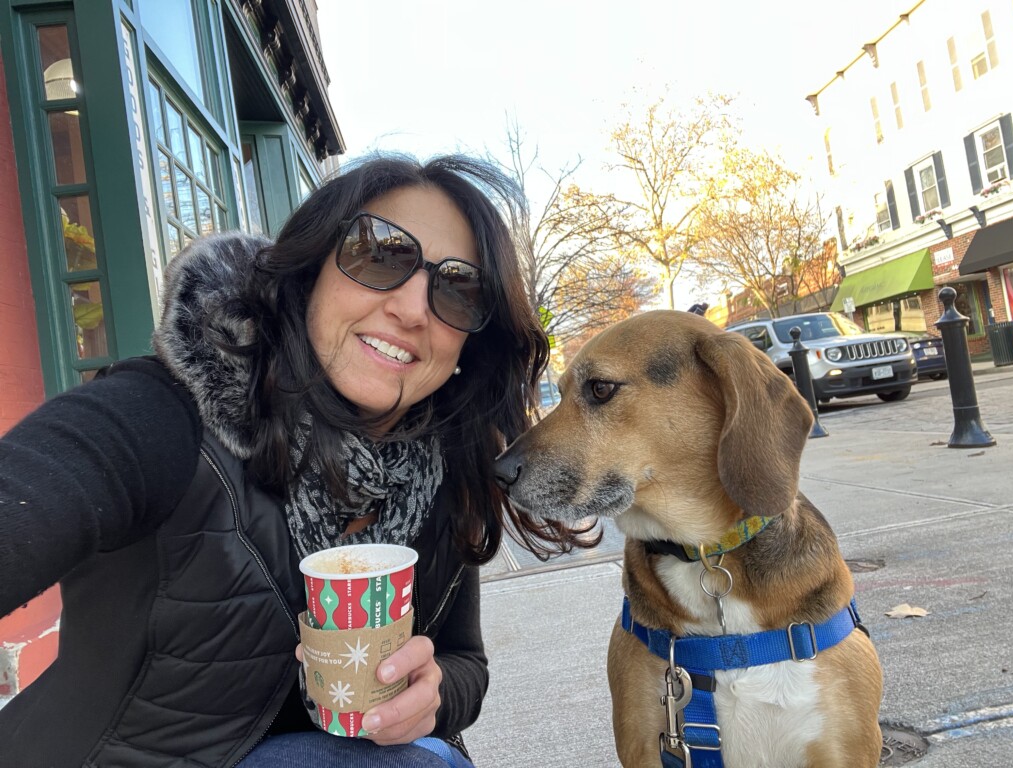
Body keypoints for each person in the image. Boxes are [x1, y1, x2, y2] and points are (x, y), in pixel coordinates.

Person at [0, 154, 593, 767]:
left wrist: (431, 698)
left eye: (459, 290)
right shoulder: (169, 417)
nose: (414, 310)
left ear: (471, 341)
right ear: (311, 271)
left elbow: (464, 661)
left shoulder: (441, 473)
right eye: (381, 255)